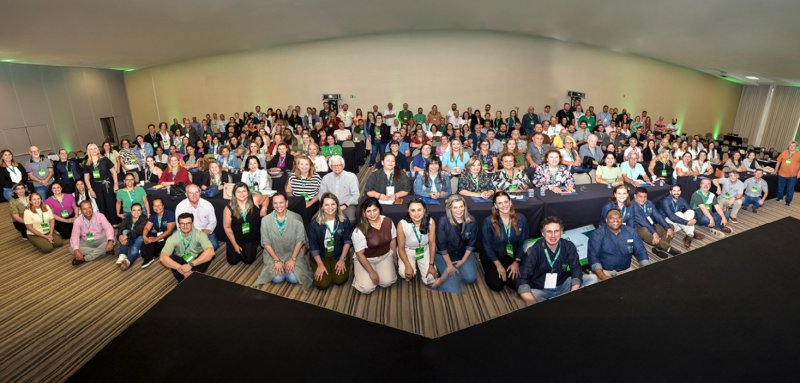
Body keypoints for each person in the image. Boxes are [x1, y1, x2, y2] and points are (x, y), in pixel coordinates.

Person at [518, 216, 592, 303]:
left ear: (561, 232)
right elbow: (522, 279)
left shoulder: (569, 246)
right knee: (530, 296)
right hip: (541, 289)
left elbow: (576, 269)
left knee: (593, 279)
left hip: (563, 284)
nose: (553, 235)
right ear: (543, 233)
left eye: (556, 231)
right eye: (549, 232)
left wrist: (574, 292)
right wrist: (533, 305)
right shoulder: (533, 250)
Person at [480, 191, 529, 292]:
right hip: (493, 257)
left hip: (511, 256)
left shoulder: (521, 219)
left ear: (510, 202)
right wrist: (498, 265)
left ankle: (507, 274)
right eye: (500, 203)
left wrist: (516, 262)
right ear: (495, 206)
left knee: (516, 284)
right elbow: (487, 246)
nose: (504, 205)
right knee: (497, 285)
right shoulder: (488, 221)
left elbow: (523, 242)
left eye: (506, 202)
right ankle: (490, 270)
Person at [588, 208, 651, 280]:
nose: (616, 220)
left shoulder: (631, 232)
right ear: (606, 220)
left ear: (622, 219)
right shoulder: (597, 234)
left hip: (626, 269)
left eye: (619, 218)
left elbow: (640, 251)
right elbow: (593, 257)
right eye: (611, 218)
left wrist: (647, 269)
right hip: (604, 271)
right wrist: (603, 277)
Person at [433, 194, 479, 292]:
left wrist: (463, 260)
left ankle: (458, 268)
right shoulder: (443, 221)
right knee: (451, 285)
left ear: (464, 207)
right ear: (449, 208)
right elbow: (442, 247)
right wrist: (449, 265)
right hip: (445, 255)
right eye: (455, 207)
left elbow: (471, 244)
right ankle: (449, 269)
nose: (459, 210)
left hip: (463, 254)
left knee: (470, 278)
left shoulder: (472, 220)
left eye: (461, 206)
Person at [351, 198, 397, 294]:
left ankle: (377, 270)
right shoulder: (359, 231)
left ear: (379, 209)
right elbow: (360, 254)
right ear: (364, 213)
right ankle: (358, 273)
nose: (372, 214)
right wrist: (371, 272)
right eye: (368, 211)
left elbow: (393, 240)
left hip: (384, 256)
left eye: (375, 210)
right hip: (366, 259)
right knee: (367, 288)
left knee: (387, 282)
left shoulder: (388, 221)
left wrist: (394, 256)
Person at [308, 193, 354, 290]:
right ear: (321, 207)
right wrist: (320, 264)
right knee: (323, 284)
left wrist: (342, 259)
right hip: (321, 254)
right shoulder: (314, 223)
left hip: (339, 253)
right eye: (326, 204)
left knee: (340, 280)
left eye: (333, 204)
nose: (330, 207)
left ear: (337, 206)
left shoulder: (344, 220)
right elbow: (313, 247)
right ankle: (318, 265)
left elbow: (347, 241)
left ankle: (345, 260)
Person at [159, 212, 216, 282]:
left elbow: (211, 252)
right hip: (182, 263)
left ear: (192, 224)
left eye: (188, 223)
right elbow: (162, 257)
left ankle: (188, 279)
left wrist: (191, 265)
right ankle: (194, 276)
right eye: (182, 223)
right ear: (179, 225)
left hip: (197, 261)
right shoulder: (173, 238)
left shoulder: (200, 234)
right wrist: (180, 268)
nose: (185, 226)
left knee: (208, 253)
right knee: (172, 258)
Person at [394, 198, 438, 285]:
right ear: (408, 211)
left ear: (424, 210)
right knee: (405, 274)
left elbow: (432, 244)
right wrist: (407, 265)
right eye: (413, 210)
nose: (416, 214)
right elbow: (401, 248)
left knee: (431, 280)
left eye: (419, 210)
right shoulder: (402, 224)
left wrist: (431, 265)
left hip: (424, 250)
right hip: (407, 250)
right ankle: (412, 265)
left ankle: (420, 264)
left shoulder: (431, 222)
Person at [223, 183, 268, 266]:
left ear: (248, 192)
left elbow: (266, 197)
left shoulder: (255, 199)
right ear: (234, 194)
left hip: (251, 237)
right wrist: (235, 245)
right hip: (235, 237)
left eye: (244, 191)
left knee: (248, 260)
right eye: (238, 192)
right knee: (232, 261)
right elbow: (227, 228)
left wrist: (264, 208)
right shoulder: (229, 208)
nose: (241, 194)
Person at [631, 187, 681, 258]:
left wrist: (667, 228)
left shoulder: (649, 203)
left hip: (651, 226)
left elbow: (658, 216)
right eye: (640, 197)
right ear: (635, 196)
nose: (643, 199)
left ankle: (658, 248)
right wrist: (654, 233)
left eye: (645, 197)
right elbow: (643, 222)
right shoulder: (631, 205)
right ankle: (668, 248)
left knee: (671, 227)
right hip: (638, 229)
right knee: (645, 230)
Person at [70, 200, 115, 266]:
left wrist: (110, 241)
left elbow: (108, 228)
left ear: (92, 208)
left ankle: (84, 258)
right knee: (72, 249)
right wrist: (76, 250)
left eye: (89, 207)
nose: (88, 210)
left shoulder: (100, 216)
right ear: (81, 211)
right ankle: (103, 251)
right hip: (87, 241)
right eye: (84, 209)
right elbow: (74, 236)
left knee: (113, 239)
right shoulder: (77, 221)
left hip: (101, 238)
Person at [84, 143, 120, 225]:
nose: (93, 150)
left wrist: (116, 184)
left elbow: (114, 172)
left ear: (98, 149)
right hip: (96, 186)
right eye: (91, 149)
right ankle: (105, 223)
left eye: (95, 148)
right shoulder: (87, 163)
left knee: (110, 203)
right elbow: (86, 178)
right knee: (101, 205)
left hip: (108, 184)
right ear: (88, 151)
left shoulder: (105, 159)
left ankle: (115, 222)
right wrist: (90, 190)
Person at [175, 184, 219, 250]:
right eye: (191, 193)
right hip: (187, 232)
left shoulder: (207, 205)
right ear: (186, 194)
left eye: (196, 192)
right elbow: (179, 224)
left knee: (214, 245)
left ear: (199, 193)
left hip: (204, 231)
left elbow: (213, 221)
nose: (194, 195)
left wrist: (207, 231)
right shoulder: (180, 207)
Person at [659, 184, 703, 249]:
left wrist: (694, 219)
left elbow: (690, 209)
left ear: (680, 191)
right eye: (674, 191)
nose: (676, 193)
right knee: (679, 213)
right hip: (669, 225)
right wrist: (687, 222)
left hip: (679, 224)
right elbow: (672, 217)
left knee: (691, 212)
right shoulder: (665, 201)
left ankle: (689, 235)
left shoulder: (681, 199)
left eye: (678, 190)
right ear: (670, 192)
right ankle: (691, 232)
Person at [318, 155, 360, 223]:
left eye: (338, 165)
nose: (336, 167)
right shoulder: (326, 178)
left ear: (343, 165)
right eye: (334, 165)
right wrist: (329, 205)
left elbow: (355, 195)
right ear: (331, 167)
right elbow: (321, 196)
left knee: (350, 219)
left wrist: (344, 206)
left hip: (347, 205)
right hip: (329, 205)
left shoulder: (351, 176)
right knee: (317, 220)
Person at [140, 197, 176, 269]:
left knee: (166, 243)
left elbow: (169, 231)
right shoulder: (153, 216)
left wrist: (155, 239)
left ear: (163, 206)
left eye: (159, 205)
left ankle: (152, 253)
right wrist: (144, 236)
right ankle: (149, 258)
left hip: (169, 235)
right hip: (159, 235)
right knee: (148, 236)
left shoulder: (170, 214)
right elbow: (147, 227)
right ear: (152, 207)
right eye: (155, 206)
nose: (157, 207)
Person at [115, 203, 148, 270]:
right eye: (134, 210)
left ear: (141, 211)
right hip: (129, 238)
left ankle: (128, 261)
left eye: (138, 210)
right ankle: (123, 254)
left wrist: (126, 236)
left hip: (138, 238)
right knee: (124, 231)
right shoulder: (127, 217)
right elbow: (121, 227)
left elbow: (138, 231)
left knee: (139, 240)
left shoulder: (144, 219)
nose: (136, 212)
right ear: (131, 210)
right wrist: (119, 236)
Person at [775, 141, 800, 206]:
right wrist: (775, 170)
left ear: (796, 147)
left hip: (793, 176)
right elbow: (778, 162)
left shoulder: (799, 154)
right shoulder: (784, 152)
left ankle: (788, 201)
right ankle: (780, 197)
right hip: (781, 174)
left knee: (790, 190)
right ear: (788, 146)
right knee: (780, 189)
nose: (791, 147)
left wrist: (799, 173)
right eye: (790, 146)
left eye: (793, 146)